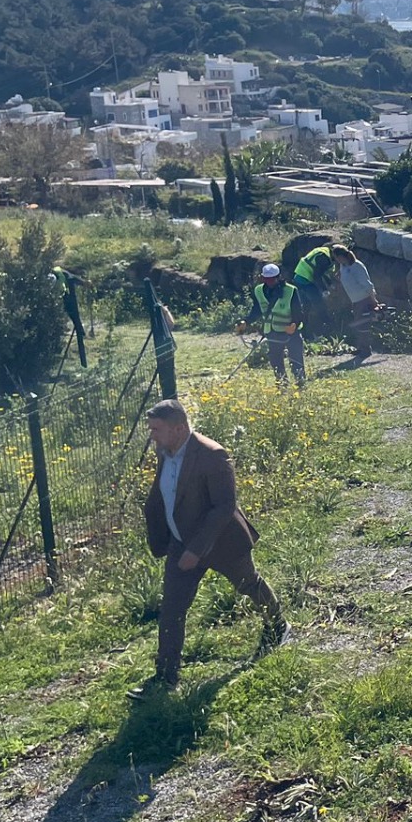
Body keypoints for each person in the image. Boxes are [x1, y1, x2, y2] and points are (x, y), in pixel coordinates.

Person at [135, 399, 285, 697]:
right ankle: (166, 677)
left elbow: (224, 506)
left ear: (178, 429)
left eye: (156, 429)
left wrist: (197, 549)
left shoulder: (212, 455)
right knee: (172, 609)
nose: (151, 435)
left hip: (222, 543)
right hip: (181, 543)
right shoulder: (165, 452)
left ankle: (278, 626)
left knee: (248, 584)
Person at [239, 263, 305, 389]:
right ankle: (282, 385)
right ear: (263, 278)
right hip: (272, 332)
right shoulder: (259, 291)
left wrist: (294, 324)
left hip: (291, 332)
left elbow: (299, 311)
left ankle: (300, 384)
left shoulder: (290, 290)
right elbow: (256, 310)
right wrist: (246, 321)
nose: (270, 282)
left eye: (272, 279)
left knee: (296, 359)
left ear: (278, 277)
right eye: (267, 279)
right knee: (276, 361)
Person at [335, 246, 381, 358]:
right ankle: (361, 347)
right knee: (359, 324)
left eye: (336, 257)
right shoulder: (343, 266)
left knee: (362, 325)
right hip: (355, 300)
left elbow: (367, 285)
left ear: (341, 256)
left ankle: (365, 349)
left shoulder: (357, 266)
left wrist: (373, 300)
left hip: (364, 299)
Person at [290, 244, 343, 335]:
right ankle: (329, 326)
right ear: (336, 255)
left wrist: (330, 284)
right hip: (305, 280)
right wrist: (324, 290)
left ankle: (303, 332)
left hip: (298, 276)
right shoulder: (324, 258)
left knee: (305, 307)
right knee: (319, 304)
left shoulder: (324, 251)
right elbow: (317, 275)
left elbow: (321, 272)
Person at [51, 264, 87, 367]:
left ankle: (79, 330)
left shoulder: (56, 274)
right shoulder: (63, 273)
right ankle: (80, 330)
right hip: (68, 297)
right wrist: (84, 283)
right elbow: (74, 278)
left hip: (60, 300)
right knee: (75, 318)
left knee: (69, 319)